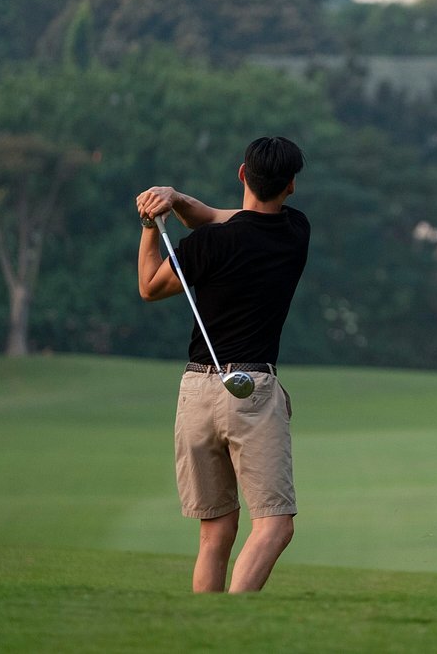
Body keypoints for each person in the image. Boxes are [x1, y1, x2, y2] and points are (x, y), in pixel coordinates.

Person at [135, 135, 309, 593]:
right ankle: (232, 624)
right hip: (251, 391)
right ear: (291, 186)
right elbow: (221, 217)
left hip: (195, 393)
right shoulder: (296, 232)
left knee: (215, 532)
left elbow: (149, 287)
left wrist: (153, 224)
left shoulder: (207, 244)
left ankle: (206, 630)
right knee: (274, 526)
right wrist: (175, 200)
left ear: (241, 174)